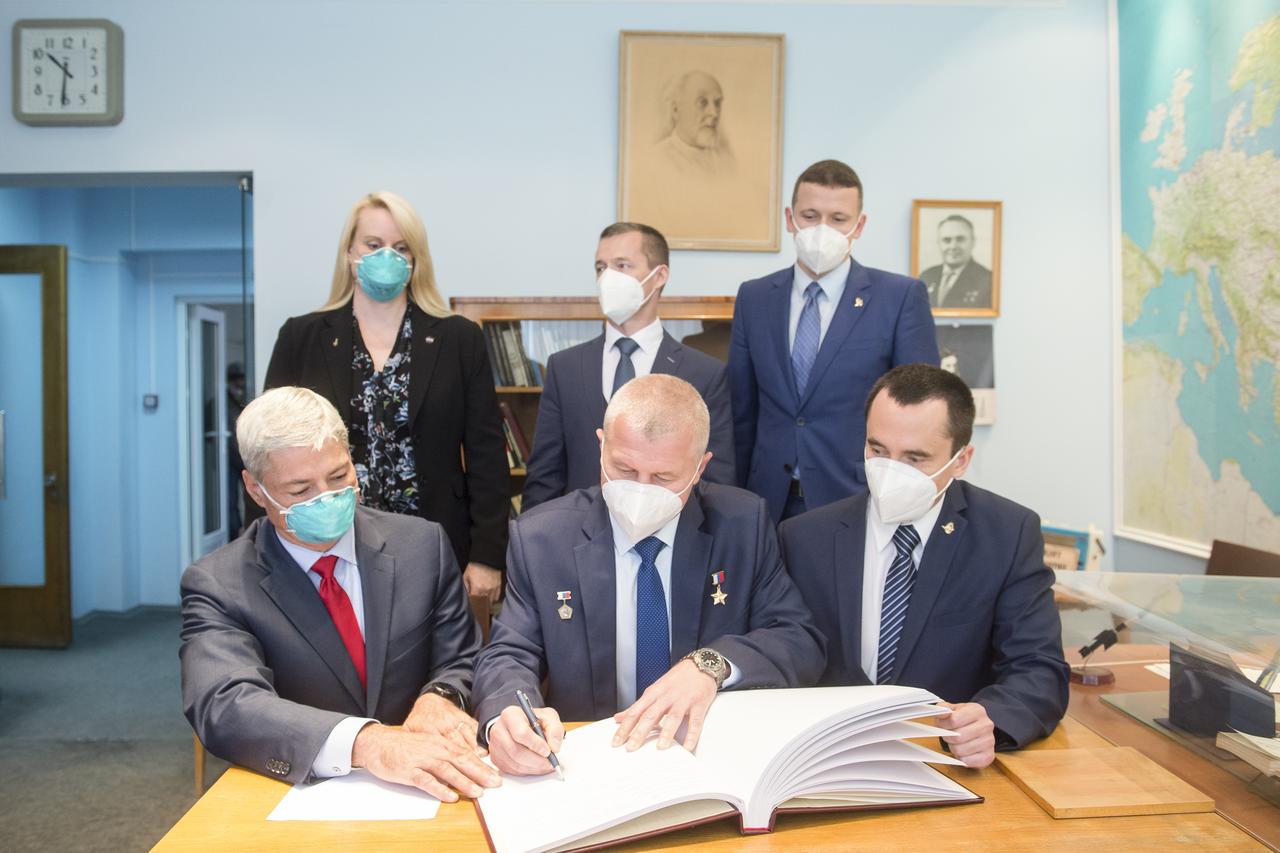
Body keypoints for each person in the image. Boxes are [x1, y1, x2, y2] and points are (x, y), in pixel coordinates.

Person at [472, 374, 824, 775]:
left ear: (700, 466)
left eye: (663, 478)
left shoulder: (743, 525)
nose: (640, 490)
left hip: (704, 757)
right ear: (601, 444)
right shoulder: (541, 538)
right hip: (585, 760)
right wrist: (508, 718)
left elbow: (797, 638)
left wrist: (709, 665)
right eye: (624, 468)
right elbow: (508, 652)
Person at [180, 387, 500, 802]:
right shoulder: (218, 583)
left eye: (338, 477)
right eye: (300, 491)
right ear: (256, 490)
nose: (326, 498)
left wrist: (442, 696)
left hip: (428, 787)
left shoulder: (422, 545)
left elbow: (462, 658)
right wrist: (366, 742)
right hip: (299, 795)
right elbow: (225, 705)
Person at [779, 364, 1069, 767]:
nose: (890, 471)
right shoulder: (803, 537)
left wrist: (990, 719)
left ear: (961, 459)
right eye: (878, 451)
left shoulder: (1007, 534)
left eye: (915, 458)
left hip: (944, 762)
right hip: (827, 762)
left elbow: (1039, 669)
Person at [264, 191, 509, 606]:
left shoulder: (458, 339)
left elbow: (487, 452)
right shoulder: (301, 337)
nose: (387, 257)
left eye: (400, 248)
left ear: (416, 260)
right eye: (373, 245)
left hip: (434, 543)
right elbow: (267, 451)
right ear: (349, 253)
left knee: (435, 664)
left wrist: (487, 556)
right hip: (328, 541)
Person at [729, 159, 939, 523]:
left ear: (859, 225)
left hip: (858, 500)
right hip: (768, 502)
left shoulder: (899, 297)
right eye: (810, 215)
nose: (822, 228)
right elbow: (741, 412)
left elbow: (920, 413)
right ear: (789, 219)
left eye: (838, 219)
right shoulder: (755, 297)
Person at [521, 222, 734, 510]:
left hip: (669, 539)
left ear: (659, 276)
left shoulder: (704, 373)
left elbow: (716, 483)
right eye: (600, 267)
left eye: (622, 265)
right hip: (577, 539)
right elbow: (544, 476)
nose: (607, 277)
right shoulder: (565, 368)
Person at [653, 71, 736, 178]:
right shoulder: (656, 160)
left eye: (717, 103)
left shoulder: (726, 161)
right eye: (703, 103)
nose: (714, 113)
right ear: (676, 110)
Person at [921, 215, 993, 309]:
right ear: (938, 243)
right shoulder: (926, 276)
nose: (953, 246)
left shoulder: (988, 280)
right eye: (947, 240)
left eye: (960, 239)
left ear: (973, 242)